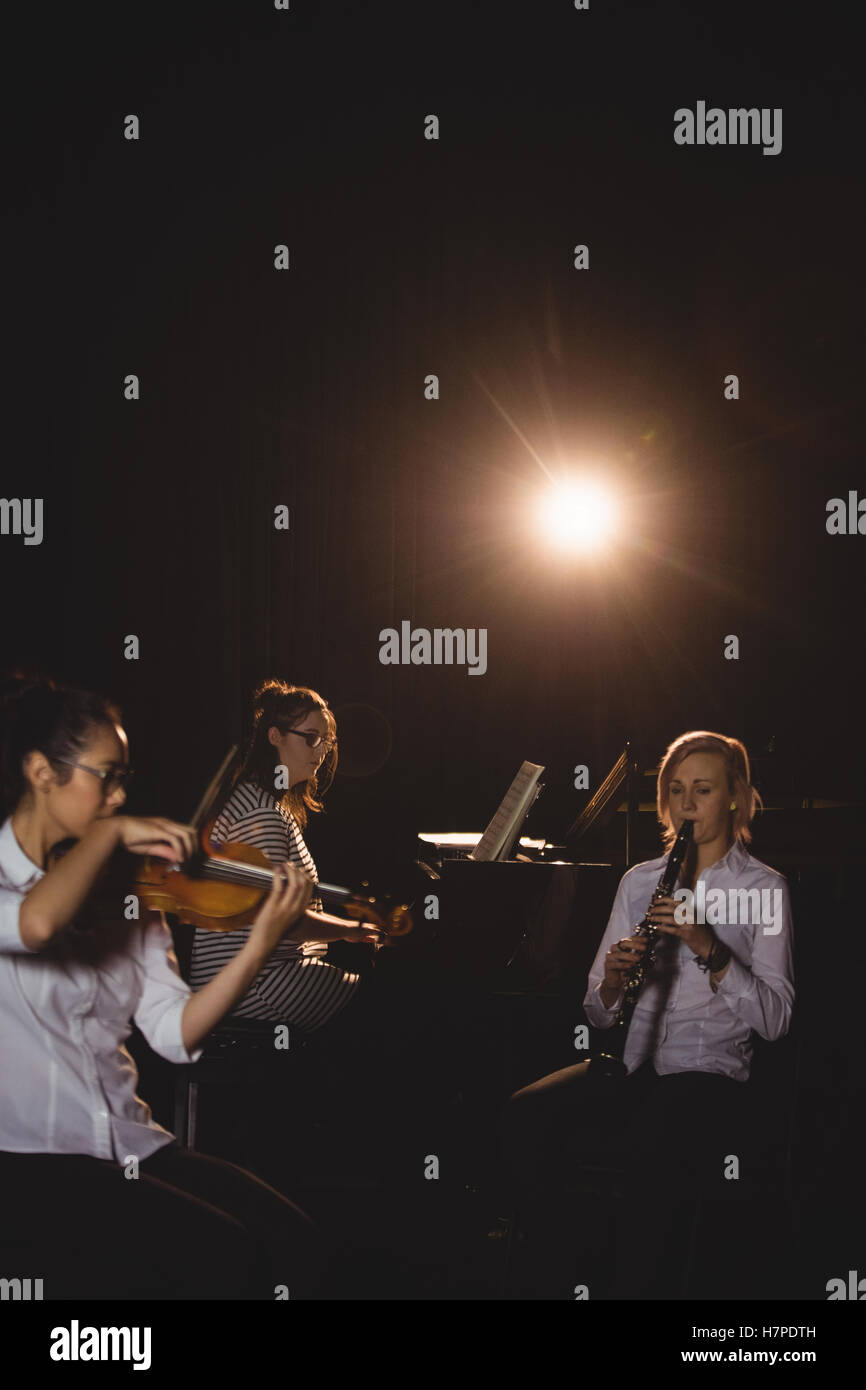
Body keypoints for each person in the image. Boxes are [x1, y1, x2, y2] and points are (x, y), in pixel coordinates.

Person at [0, 674, 323, 1300]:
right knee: (225, 1258)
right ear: (41, 771)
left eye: (124, 778)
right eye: (106, 775)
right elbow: (34, 924)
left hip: (128, 1143)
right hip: (29, 1159)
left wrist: (261, 941)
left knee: (297, 1243)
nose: (119, 797)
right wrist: (108, 836)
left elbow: (175, 1034)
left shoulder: (124, 890)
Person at [498, 730, 795, 1299]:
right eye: (677, 790)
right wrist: (612, 979)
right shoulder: (639, 881)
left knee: (650, 1147)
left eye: (702, 790)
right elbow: (597, 1009)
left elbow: (777, 1019)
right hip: (626, 1061)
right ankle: (568, 1267)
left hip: (707, 1073)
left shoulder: (766, 889)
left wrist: (707, 946)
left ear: (734, 797)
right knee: (522, 1118)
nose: (687, 804)